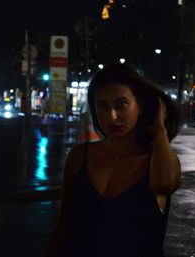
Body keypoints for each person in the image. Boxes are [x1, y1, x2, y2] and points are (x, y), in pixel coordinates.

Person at [44, 63, 181, 257]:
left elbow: (165, 184)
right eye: (102, 106)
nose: (112, 116)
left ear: (140, 106)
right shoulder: (79, 156)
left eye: (121, 104)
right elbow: (64, 224)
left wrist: (159, 128)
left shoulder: (157, 160)